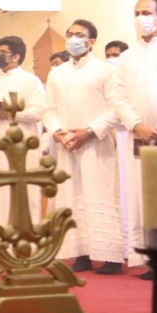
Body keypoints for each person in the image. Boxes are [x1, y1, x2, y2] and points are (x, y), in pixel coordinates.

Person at [43, 19, 125, 275]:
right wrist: (58, 132)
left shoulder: (105, 70)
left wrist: (88, 131)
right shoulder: (56, 73)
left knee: (100, 194)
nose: (72, 39)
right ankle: (81, 253)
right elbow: (49, 109)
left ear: (91, 41)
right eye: (70, 34)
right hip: (67, 143)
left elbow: (117, 108)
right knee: (71, 195)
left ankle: (111, 256)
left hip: (95, 142)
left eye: (79, 35)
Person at [114, 0, 157, 279]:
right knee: (143, 197)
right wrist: (137, 125)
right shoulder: (127, 58)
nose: (140, 18)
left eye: (146, 13)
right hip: (139, 137)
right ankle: (153, 258)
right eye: (136, 13)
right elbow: (117, 96)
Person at [0, 35, 47, 225]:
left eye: (2, 52)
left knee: (23, 193)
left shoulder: (31, 81)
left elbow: (38, 112)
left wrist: (10, 113)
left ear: (16, 56)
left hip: (23, 147)